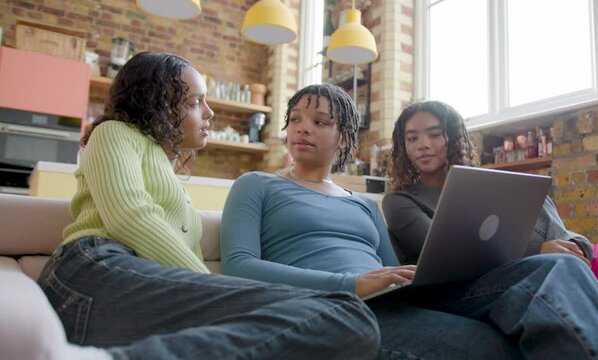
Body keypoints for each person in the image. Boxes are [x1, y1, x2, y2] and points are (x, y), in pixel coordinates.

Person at [221, 84, 598, 359]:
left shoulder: (365, 205)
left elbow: (400, 274)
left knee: (557, 267)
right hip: (338, 305)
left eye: (320, 122)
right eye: (295, 119)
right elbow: (239, 266)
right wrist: (350, 284)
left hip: (397, 301)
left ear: (344, 138)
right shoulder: (257, 184)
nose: (303, 129)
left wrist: (405, 282)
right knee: (494, 348)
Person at [35, 53, 380, 360]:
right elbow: (131, 216)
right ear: (157, 103)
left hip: (126, 290)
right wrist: (212, 285)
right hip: (92, 271)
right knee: (343, 315)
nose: (210, 113)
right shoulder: (114, 132)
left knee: (345, 320)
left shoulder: (163, 167)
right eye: (196, 102)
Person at [382, 100, 598, 360]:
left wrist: (578, 247)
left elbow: (563, 236)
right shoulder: (400, 201)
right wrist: (539, 250)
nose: (422, 144)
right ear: (403, 147)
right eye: (412, 138)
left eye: (434, 134)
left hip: (526, 273)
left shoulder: (489, 187)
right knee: (556, 272)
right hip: (457, 290)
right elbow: (448, 248)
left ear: (453, 137)